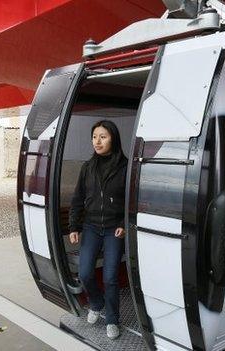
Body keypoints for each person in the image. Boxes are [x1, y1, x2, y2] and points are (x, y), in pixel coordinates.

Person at [69, 120, 127, 340]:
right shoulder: (88, 167)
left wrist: (122, 223)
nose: (97, 141)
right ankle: (96, 302)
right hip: (91, 227)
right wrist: (74, 226)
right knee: (84, 273)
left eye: (103, 136)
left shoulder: (125, 167)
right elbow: (78, 198)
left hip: (114, 229)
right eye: (95, 137)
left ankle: (112, 319)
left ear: (113, 138)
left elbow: (130, 201)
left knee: (111, 277)